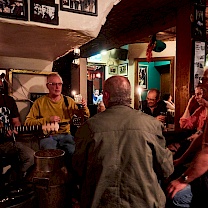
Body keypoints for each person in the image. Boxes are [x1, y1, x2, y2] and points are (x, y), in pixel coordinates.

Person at [72, 75, 174, 208]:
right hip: (145, 203)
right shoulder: (152, 125)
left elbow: (78, 169)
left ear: (106, 96)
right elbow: (166, 169)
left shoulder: (88, 127)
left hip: (100, 203)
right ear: (128, 95)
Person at [24, 73, 90, 169]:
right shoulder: (40, 102)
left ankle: (72, 179)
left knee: (75, 153)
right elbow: (28, 122)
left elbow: (85, 116)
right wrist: (47, 120)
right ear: (47, 86)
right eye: (54, 84)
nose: (57, 87)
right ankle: (53, 179)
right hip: (47, 136)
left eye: (59, 84)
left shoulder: (68, 101)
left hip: (65, 134)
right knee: (50, 157)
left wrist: (84, 107)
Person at [0, 78, 34, 180]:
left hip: (8, 143)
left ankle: (11, 180)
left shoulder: (9, 100)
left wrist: (15, 129)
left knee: (30, 156)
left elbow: (16, 122)